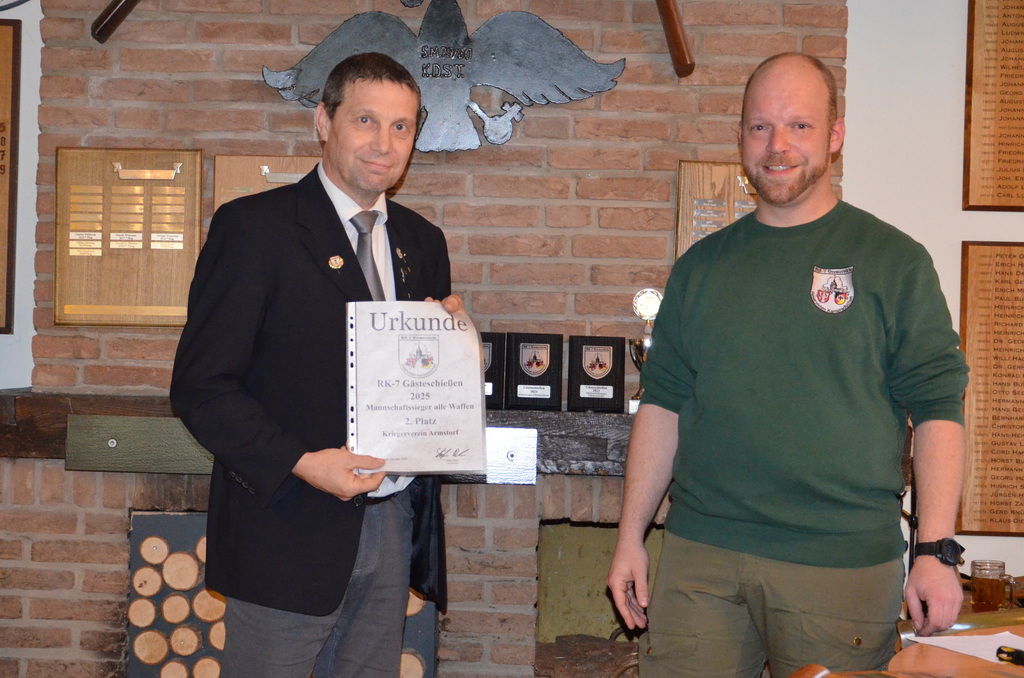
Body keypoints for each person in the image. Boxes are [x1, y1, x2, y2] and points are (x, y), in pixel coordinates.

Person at [606, 52, 969, 677]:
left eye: (799, 125)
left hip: (841, 567)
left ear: (835, 135)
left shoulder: (894, 262)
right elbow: (661, 407)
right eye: (760, 126)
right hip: (701, 558)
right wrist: (629, 537)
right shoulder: (699, 269)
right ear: (741, 137)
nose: (777, 145)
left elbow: (938, 408)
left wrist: (935, 551)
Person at [170, 52, 457, 677]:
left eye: (402, 127)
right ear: (324, 122)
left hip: (392, 526)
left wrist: (456, 348)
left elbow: (421, 384)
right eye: (365, 120)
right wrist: (302, 462)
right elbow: (201, 388)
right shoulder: (253, 229)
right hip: (285, 529)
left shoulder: (423, 243)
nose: (384, 144)